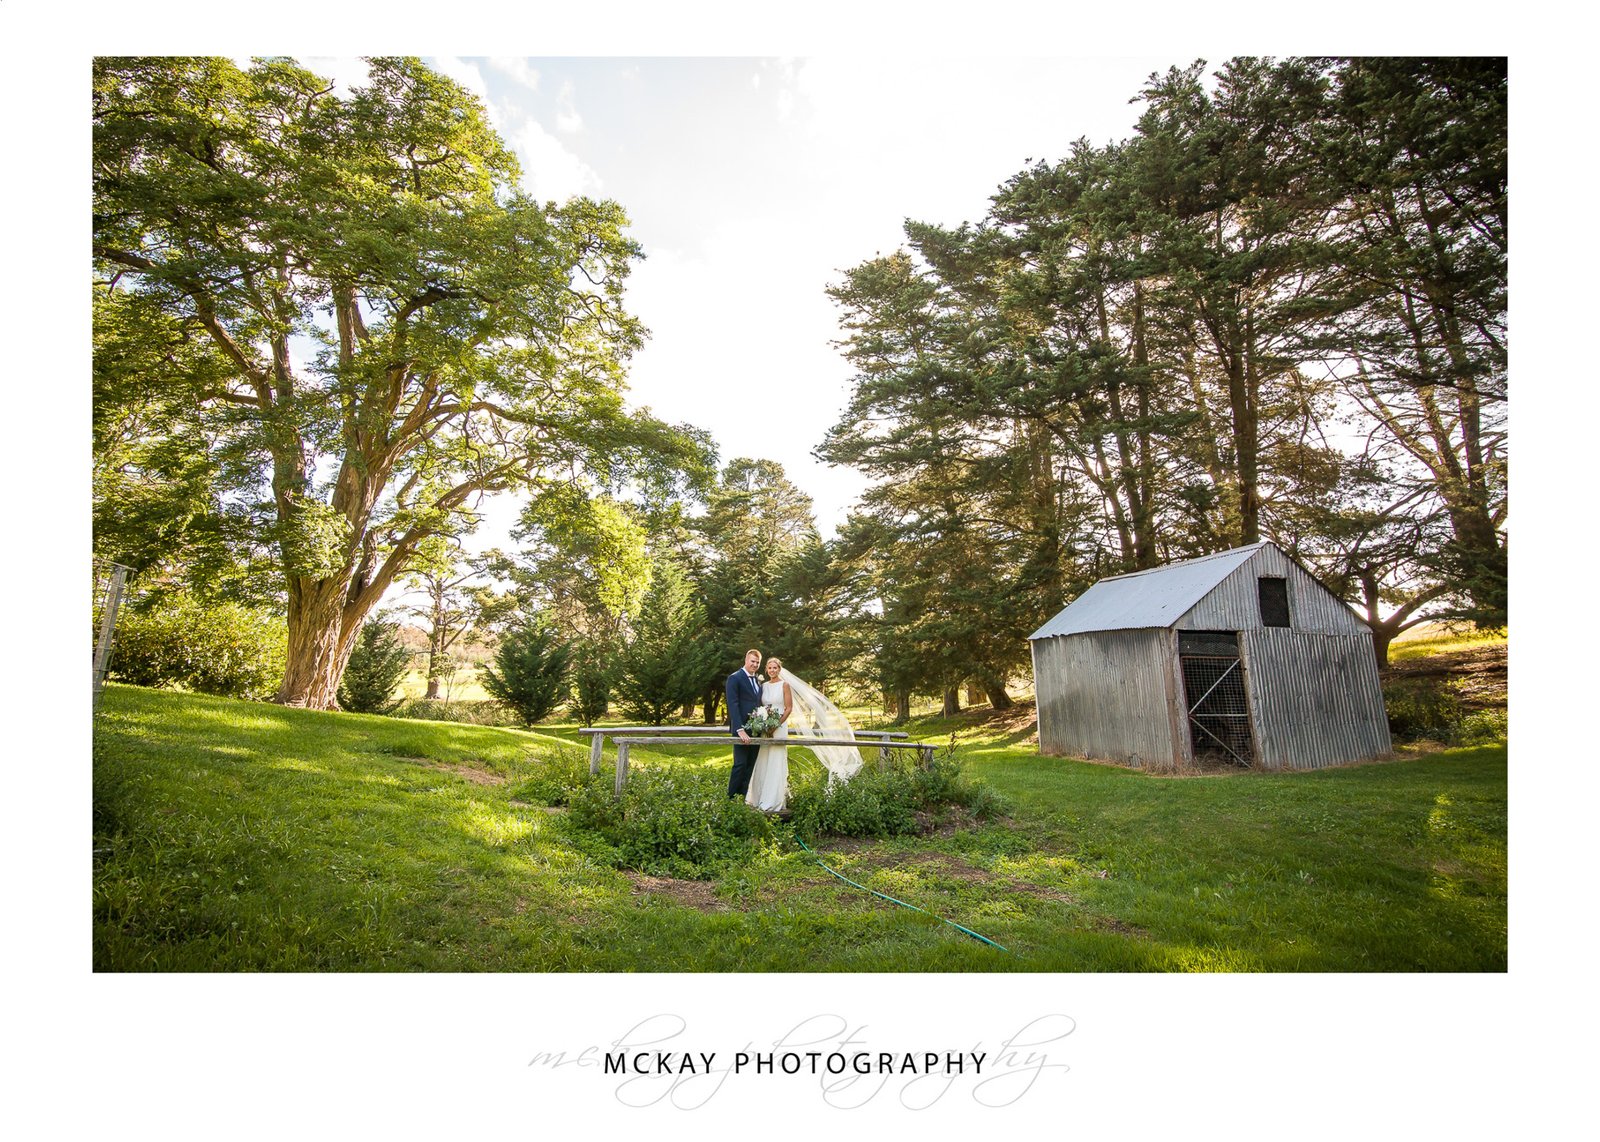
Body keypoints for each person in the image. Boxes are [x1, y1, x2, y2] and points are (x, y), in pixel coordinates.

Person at [745, 656, 793, 812]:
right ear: (766, 669)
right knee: (763, 759)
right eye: (770, 668)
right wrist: (763, 723)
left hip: (778, 727)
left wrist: (776, 724)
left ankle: (773, 799)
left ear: (779, 669)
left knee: (776, 759)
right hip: (765, 728)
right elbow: (760, 706)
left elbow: (788, 708)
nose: (772, 670)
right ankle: (759, 798)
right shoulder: (763, 686)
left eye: (775, 668)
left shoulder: (784, 685)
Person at [725, 648, 765, 798]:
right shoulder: (734, 678)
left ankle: (741, 799)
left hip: (756, 729)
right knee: (740, 764)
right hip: (741, 729)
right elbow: (733, 705)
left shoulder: (757, 681)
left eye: (757, 662)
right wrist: (739, 729)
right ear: (746, 660)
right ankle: (730, 800)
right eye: (752, 661)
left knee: (749, 766)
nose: (754, 665)